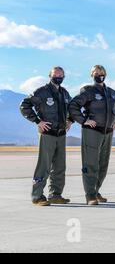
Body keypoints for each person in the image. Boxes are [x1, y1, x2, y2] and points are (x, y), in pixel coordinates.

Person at [69, 65, 115, 206]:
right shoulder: (88, 91)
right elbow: (73, 105)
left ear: (105, 74)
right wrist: (84, 120)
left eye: (101, 73)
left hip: (108, 132)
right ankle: (90, 196)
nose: (99, 75)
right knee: (91, 164)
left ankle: (96, 191)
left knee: (103, 165)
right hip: (92, 131)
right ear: (92, 75)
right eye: (96, 73)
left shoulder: (112, 92)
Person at [20, 66, 73, 206]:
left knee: (60, 166)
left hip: (61, 134)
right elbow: (24, 105)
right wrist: (38, 121)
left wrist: (70, 120)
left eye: (61, 75)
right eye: (56, 74)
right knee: (44, 166)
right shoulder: (41, 92)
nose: (59, 77)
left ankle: (55, 195)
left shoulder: (65, 93)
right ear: (50, 76)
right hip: (47, 134)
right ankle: (37, 196)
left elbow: (73, 108)